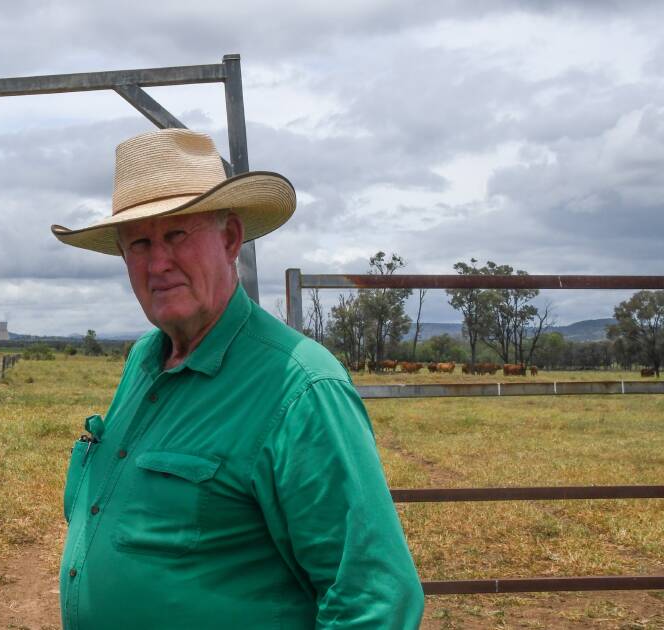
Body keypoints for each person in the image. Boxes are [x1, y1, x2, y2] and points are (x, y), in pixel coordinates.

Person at [51, 128, 423, 628]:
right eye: (139, 242)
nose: (158, 262)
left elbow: (374, 600)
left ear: (230, 239)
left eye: (177, 234)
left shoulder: (301, 387)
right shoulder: (145, 359)